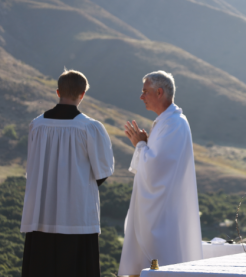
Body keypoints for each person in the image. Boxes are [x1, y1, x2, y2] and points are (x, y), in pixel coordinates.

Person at [20, 69, 115, 277]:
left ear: (57, 92)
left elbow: (34, 169)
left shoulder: (36, 125)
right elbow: (103, 172)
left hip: (40, 214)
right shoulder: (90, 127)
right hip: (76, 217)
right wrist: (75, 185)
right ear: (82, 94)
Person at [118, 71, 203, 276]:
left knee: (160, 263)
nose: (141, 97)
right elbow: (155, 163)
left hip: (164, 215)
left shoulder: (174, 124)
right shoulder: (166, 122)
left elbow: (156, 170)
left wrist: (139, 145)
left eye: (145, 92)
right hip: (159, 209)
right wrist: (144, 145)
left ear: (159, 92)